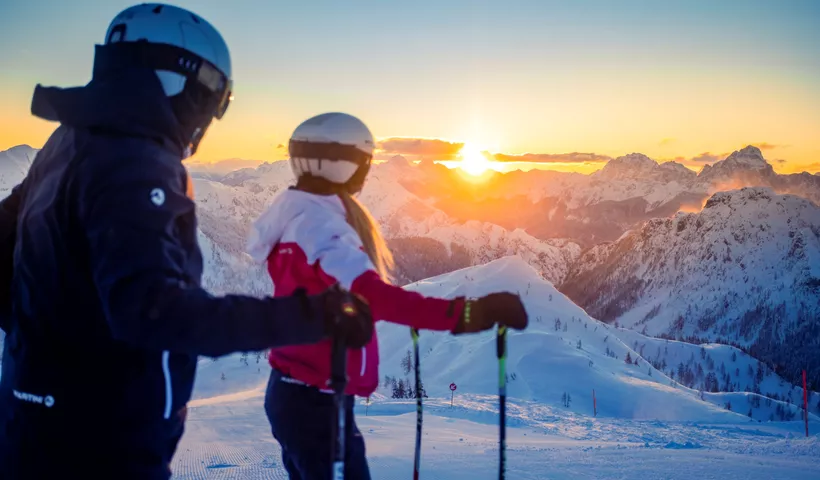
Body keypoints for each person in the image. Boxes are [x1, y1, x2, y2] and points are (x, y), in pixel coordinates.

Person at [0, 5, 373, 479]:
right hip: (102, 439)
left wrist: (45, 346)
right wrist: (313, 315)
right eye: (215, 95)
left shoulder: (69, 140)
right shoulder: (136, 161)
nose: (212, 115)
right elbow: (158, 313)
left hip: (31, 420)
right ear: (179, 78)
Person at [246, 112, 529, 479]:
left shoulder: (293, 215)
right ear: (346, 165)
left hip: (297, 391)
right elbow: (373, 297)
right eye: (365, 162)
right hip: (317, 399)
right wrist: (469, 315)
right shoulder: (323, 226)